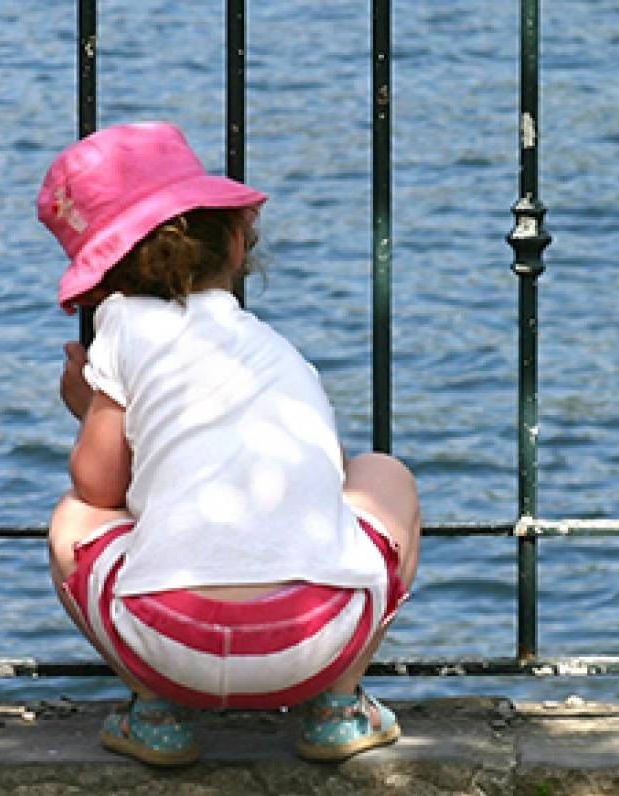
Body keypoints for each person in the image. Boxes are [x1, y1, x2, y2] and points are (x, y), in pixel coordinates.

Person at [37, 122, 420, 765]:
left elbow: (99, 487)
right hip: (316, 639)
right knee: (383, 473)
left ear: (102, 278)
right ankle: (339, 706)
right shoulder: (273, 350)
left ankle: (154, 714)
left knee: (73, 516)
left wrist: (89, 410)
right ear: (237, 241)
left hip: (169, 645)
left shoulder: (122, 330)